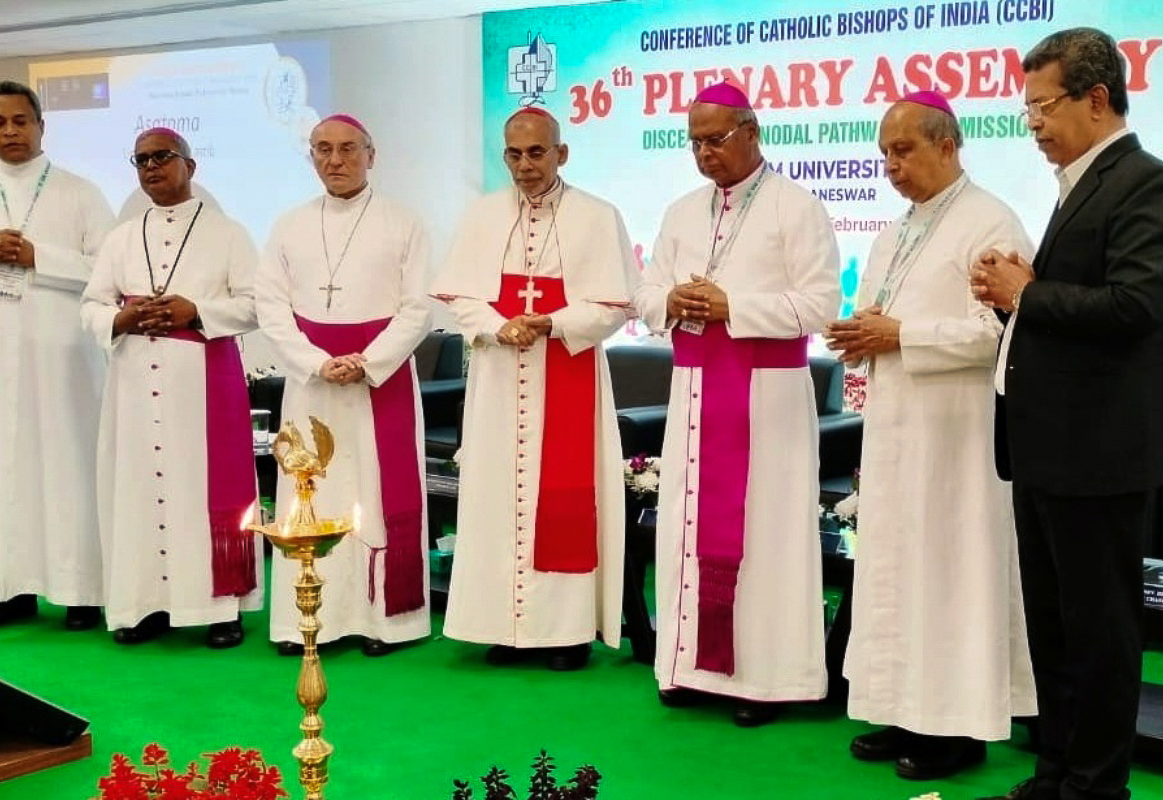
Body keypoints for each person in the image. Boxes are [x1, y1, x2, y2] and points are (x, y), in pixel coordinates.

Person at [971, 28, 1163, 800]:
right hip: (1047, 447)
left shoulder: (1141, 180)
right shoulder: (1082, 182)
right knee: (1053, 626)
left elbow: (1138, 304)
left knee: (1101, 631)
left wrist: (1028, 293)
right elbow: (1068, 309)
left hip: (1099, 453)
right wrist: (1009, 297)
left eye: (1043, 106)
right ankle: (1056, 770)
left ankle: (1096, 785)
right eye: (1026, 110)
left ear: (1095, 97)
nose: (1034, 123)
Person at [824, 91, 1036, 780]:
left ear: (948, 145)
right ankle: (902, 707)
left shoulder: (990, 221)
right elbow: (881, 315)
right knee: (896, 571)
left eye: (904, 149)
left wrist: (900, 335)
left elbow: (997, 332)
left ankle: (958, 729)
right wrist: (863, 335)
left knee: (950, 577)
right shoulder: (897, 231)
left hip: (958, 436)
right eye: (884, 152)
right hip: (896, 429)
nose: (890, 164)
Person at [633, 81, 839, 726]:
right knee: (687, 526)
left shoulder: (796, 206)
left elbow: (820, 306)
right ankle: (687, 666)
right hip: (694, 391)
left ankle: (764, 682)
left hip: (767, 396)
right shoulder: (680, 211)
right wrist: (673, 302)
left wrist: (732, 307)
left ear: (751, 131)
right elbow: (644, 294)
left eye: (715, 139)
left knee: (766, 532)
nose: (704, 154)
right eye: (694, 142)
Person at [432, 107, 639, 671]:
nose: (524, 166)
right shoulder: (482, 216)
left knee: (566, 499)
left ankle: (565, 631)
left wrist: (553, 322)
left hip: (565, 370)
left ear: (561, 154)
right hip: (500, 374)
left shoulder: (598, 216)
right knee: (497, 495)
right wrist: (498, 324)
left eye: (537, 153)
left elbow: (615, 303)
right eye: (514, 154)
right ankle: (504, 626)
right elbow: (458, 295)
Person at [257, 113, 431, 657]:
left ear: (371, 155)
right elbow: (270, 305)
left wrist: (369, 360)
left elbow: (418, 307)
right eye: (322, 149)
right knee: (311, 490)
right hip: (312, 384)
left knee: (377, 494)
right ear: (310, 156)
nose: (335, 160)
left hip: (381, 380)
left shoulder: (404, 223)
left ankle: (385, 622)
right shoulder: (288, 224)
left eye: (347, 149)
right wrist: (313, 361)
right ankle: (309, 620)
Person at [80, 128, 261, 648]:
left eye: (162, 157)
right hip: (135, 382)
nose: (151, 167)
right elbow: (92, 305)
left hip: (202, 384)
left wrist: (197, 310)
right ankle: (145, 606)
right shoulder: (120, 236)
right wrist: (123, 317)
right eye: (140, 160)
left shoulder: (229, 233)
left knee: (199, 490)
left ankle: (221, 607)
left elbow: (255, 304)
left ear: (190, 165)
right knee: (139, 490)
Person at [0, 80, 113, 632]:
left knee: (68, 465)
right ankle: (5, 591)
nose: (10, 132)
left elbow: (109, 271)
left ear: (41, 125)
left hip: (64, 356)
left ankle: (81, 593)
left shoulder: (81, 192)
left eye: (20, 121)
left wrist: (37, 255)